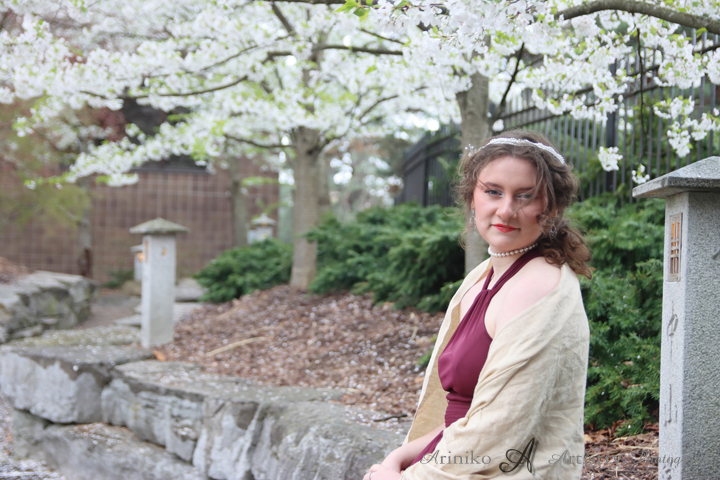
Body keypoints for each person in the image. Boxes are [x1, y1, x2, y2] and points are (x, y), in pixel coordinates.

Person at [364, 130, 592, 480]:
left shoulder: (537, 287)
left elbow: (497, 430)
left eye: (525, 196)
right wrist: (399, 456)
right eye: (493, 191)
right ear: (472, 196)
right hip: (453, 458)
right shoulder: (482, 277)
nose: (506, 210)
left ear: (551, 207)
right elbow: (462, 417)